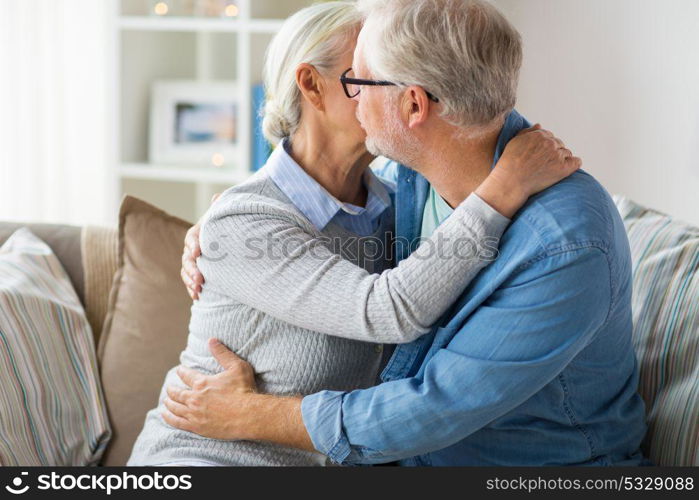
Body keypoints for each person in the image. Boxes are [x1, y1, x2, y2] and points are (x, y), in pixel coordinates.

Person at [169, 0, 651, 466]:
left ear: (413, 104)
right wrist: (216, 228)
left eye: (360, 81)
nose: (354, 97)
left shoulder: (563, 243)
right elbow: (289, 222)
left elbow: (429, 408)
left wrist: (250, 414)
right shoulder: (409, 184)